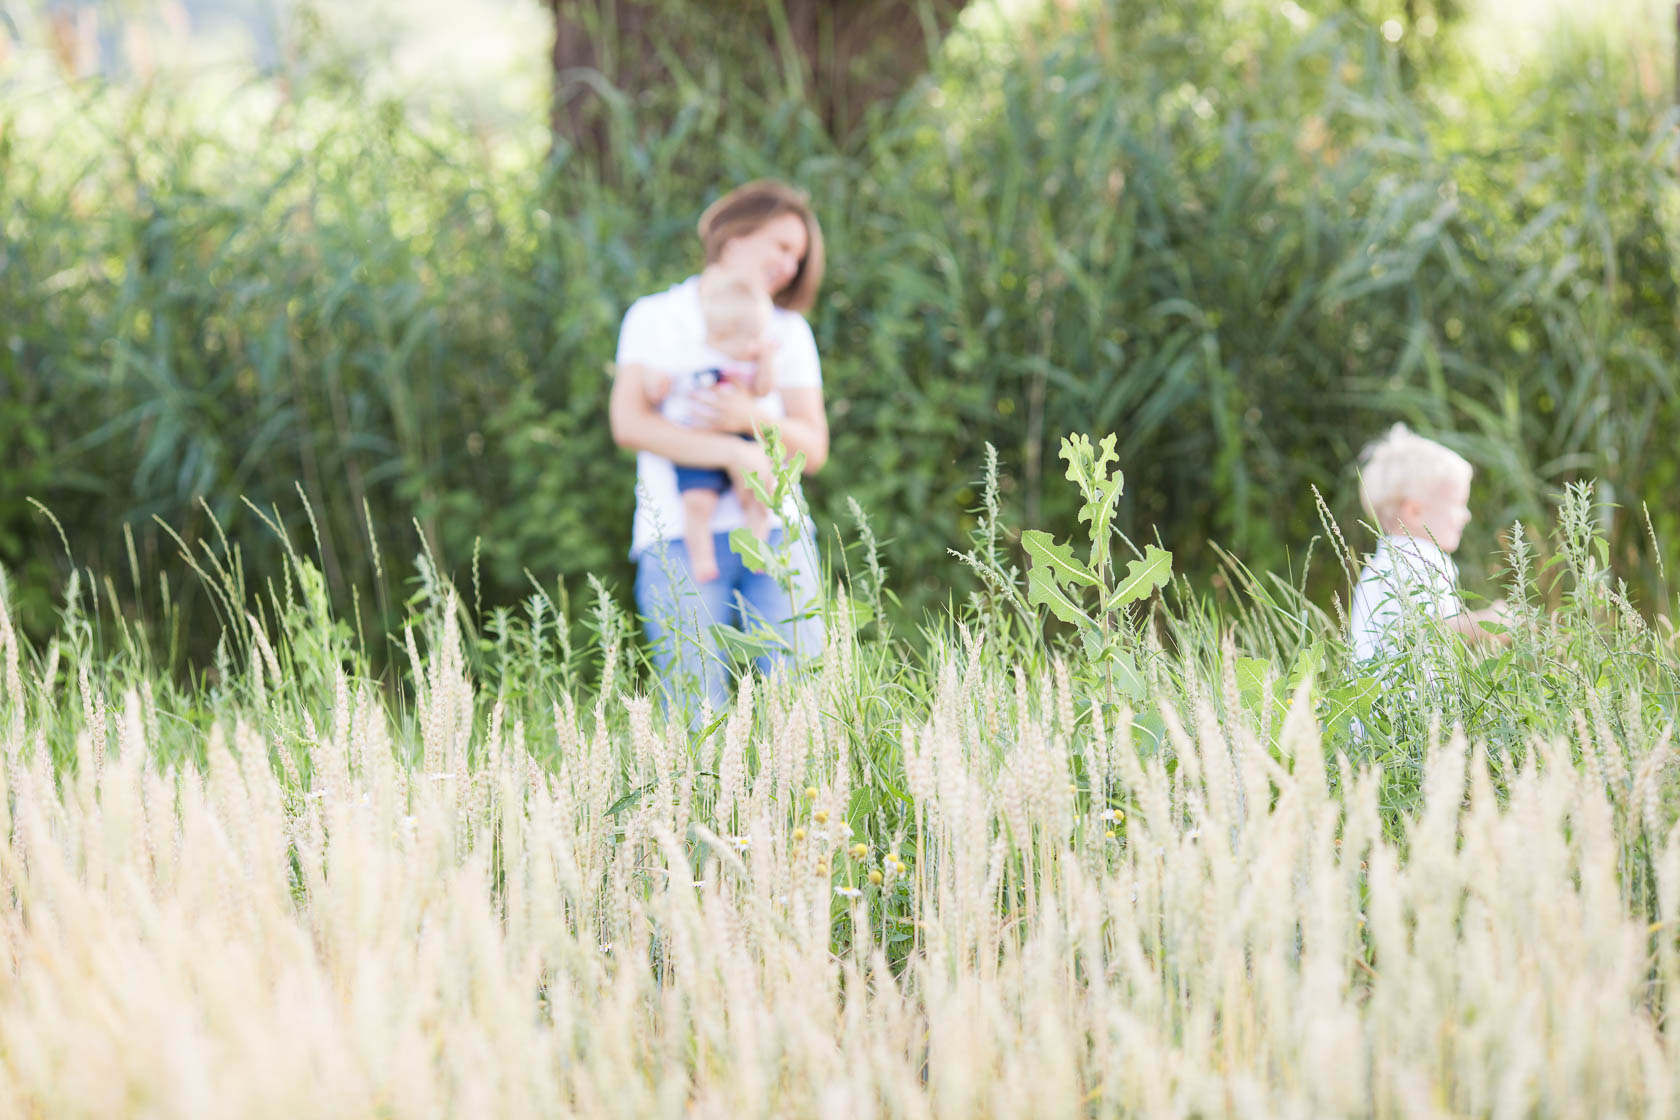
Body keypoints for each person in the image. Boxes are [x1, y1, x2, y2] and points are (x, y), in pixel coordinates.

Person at [609, 180, 829, 717]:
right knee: (694, 709)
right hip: (681, 539)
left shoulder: (788, 331)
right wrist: (731, 454)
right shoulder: (655, 316)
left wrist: (748, 419)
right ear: (734, 236)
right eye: (781, 246)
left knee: (803, 705)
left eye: (798, 258)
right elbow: (629, 423)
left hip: (778, 533)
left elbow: (814, 446)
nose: (790, 266)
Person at [638, 265, 778, 584]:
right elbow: (658, 382)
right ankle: (701, 557)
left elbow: (763, 388)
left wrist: (767, 361)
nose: (757, 344)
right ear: (718, 336)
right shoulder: (689, 355)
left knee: (758, 490)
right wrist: (655, 381)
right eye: (751, 339)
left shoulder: (748, 360)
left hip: (741, 439)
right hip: (698, 445)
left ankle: (758, 541)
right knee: (697, 502)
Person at [1348, 423, 1510, 662]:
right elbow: (1429, 629)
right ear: (1414, 512)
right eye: (1457, 504)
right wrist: (1489, 622)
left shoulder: (1382, 565)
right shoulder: (1416, 561)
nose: (1466, 515)